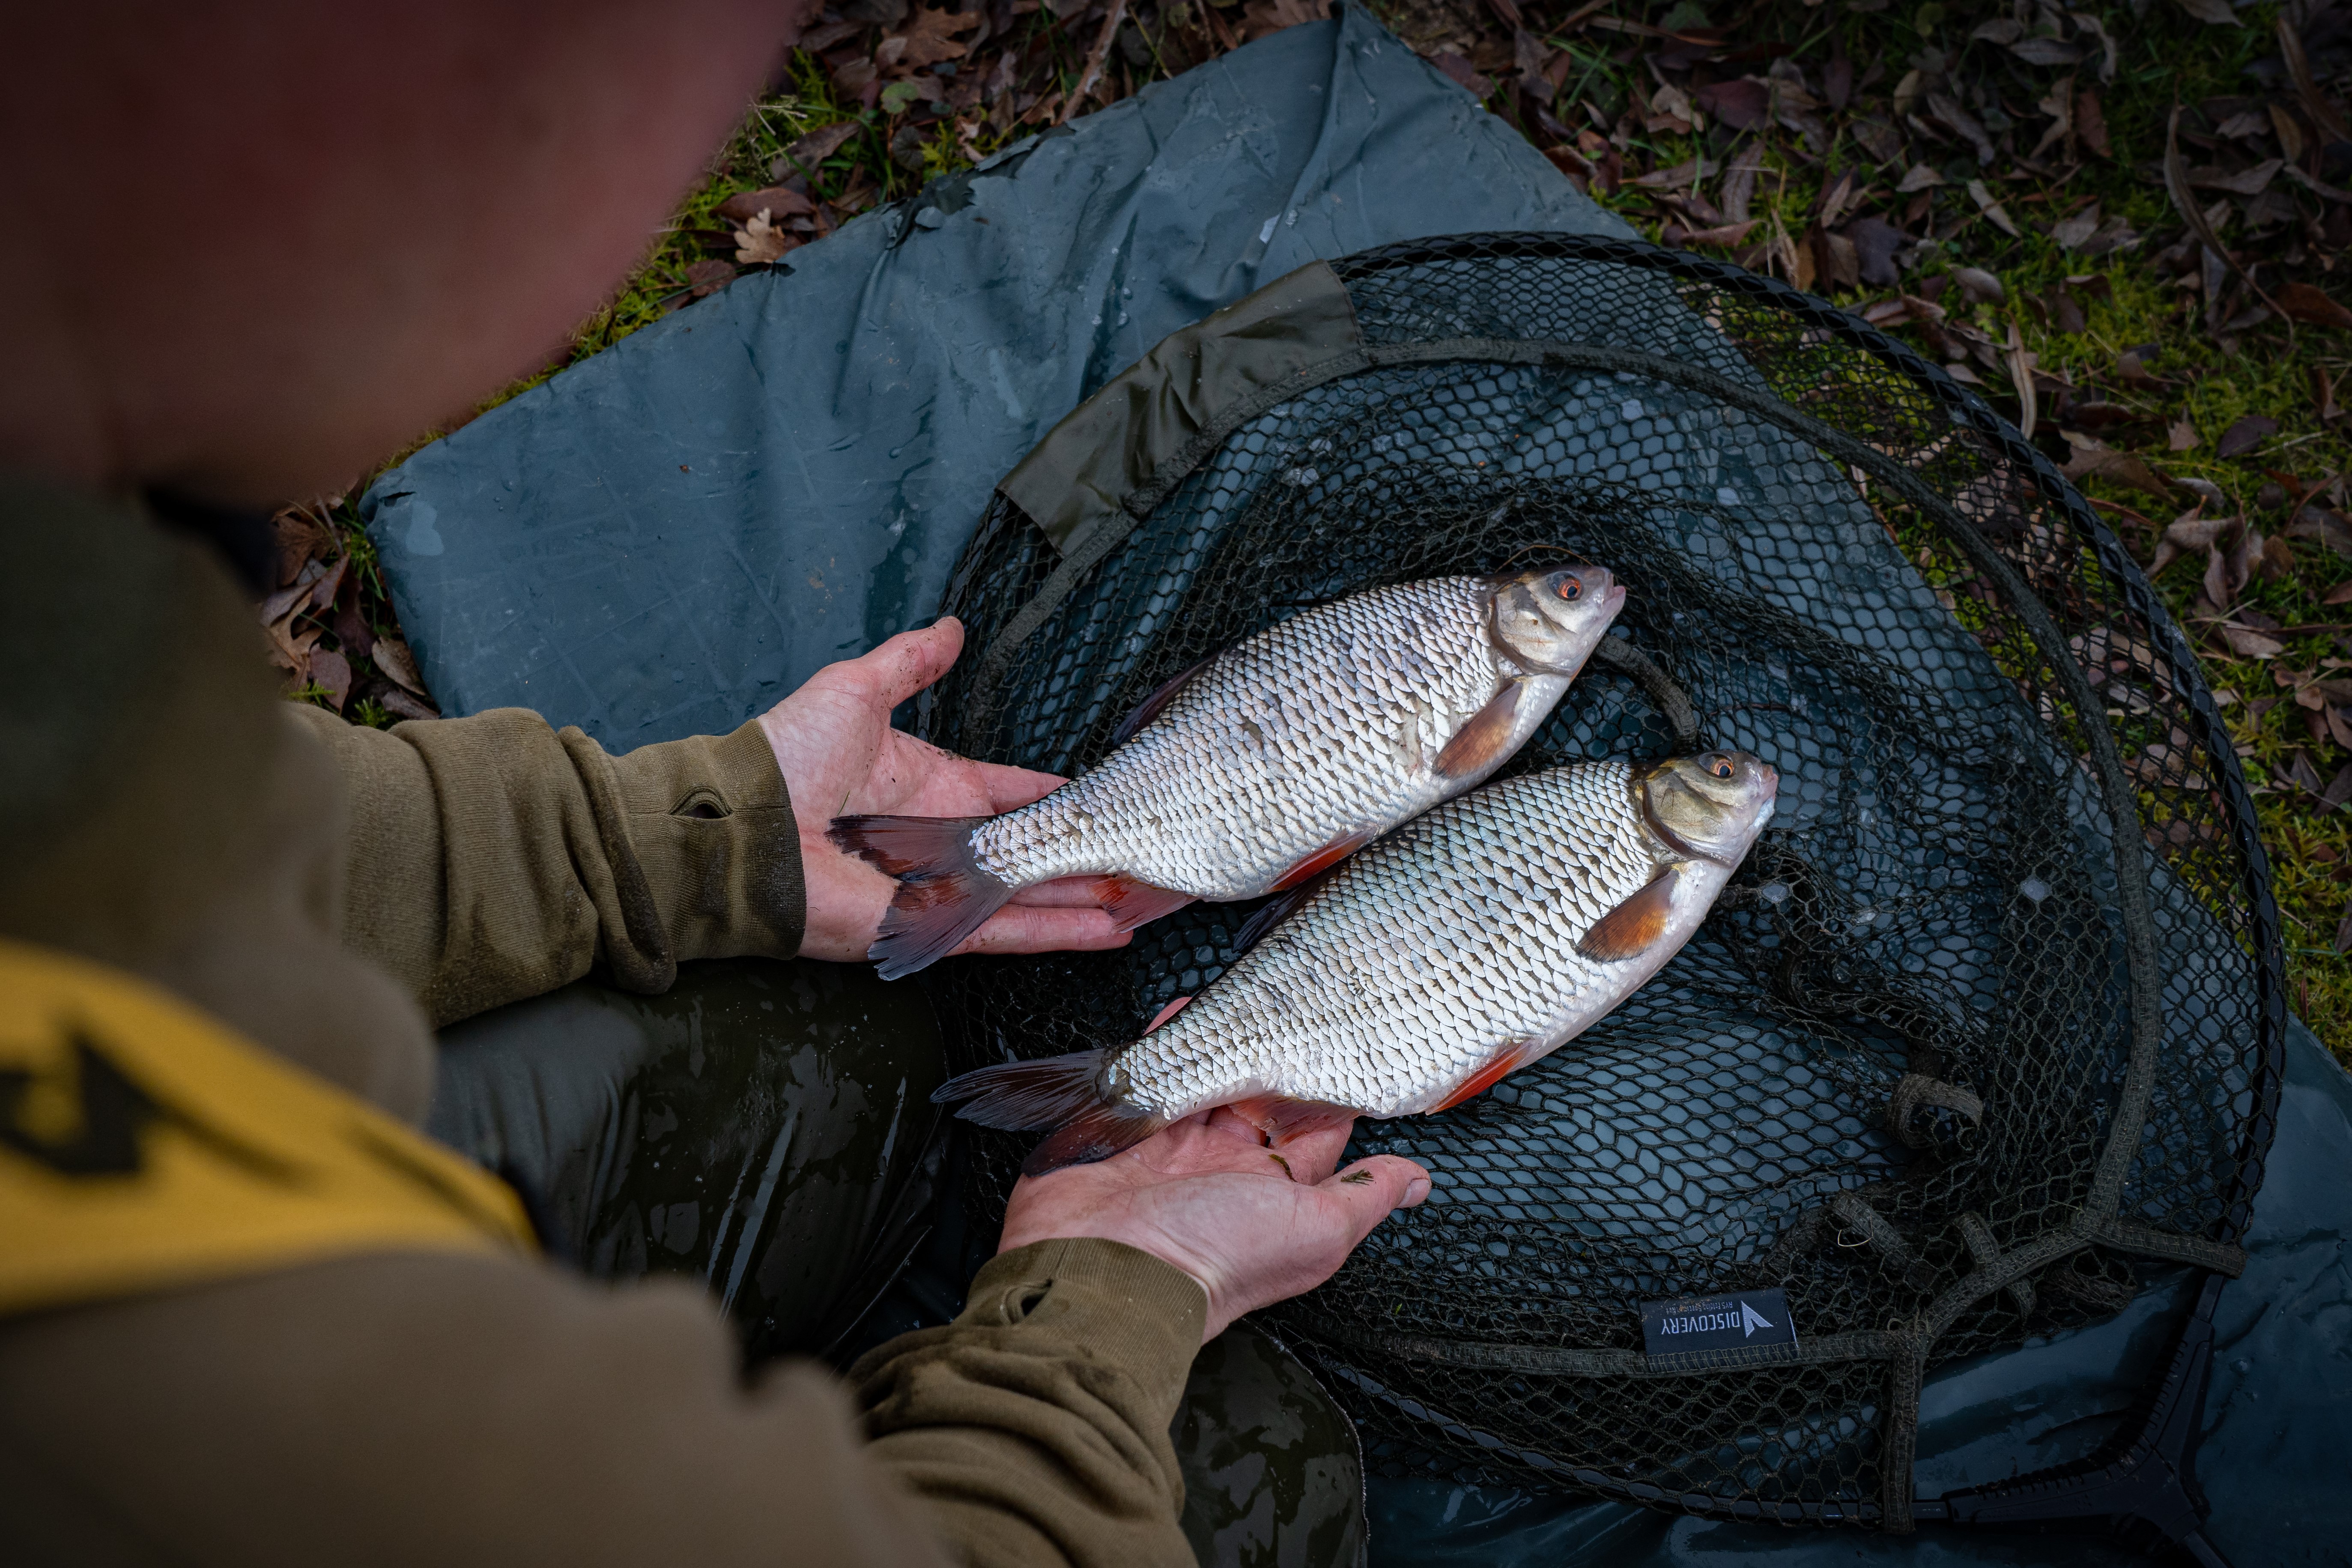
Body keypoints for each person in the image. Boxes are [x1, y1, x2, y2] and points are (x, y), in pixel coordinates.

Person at [0, 4, 1430, 1565]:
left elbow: (165, 831)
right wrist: (1121, 1292)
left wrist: (676, 839)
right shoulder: (159, 1388)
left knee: (823, 1030)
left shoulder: (64, 677)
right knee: (1253, 1462)